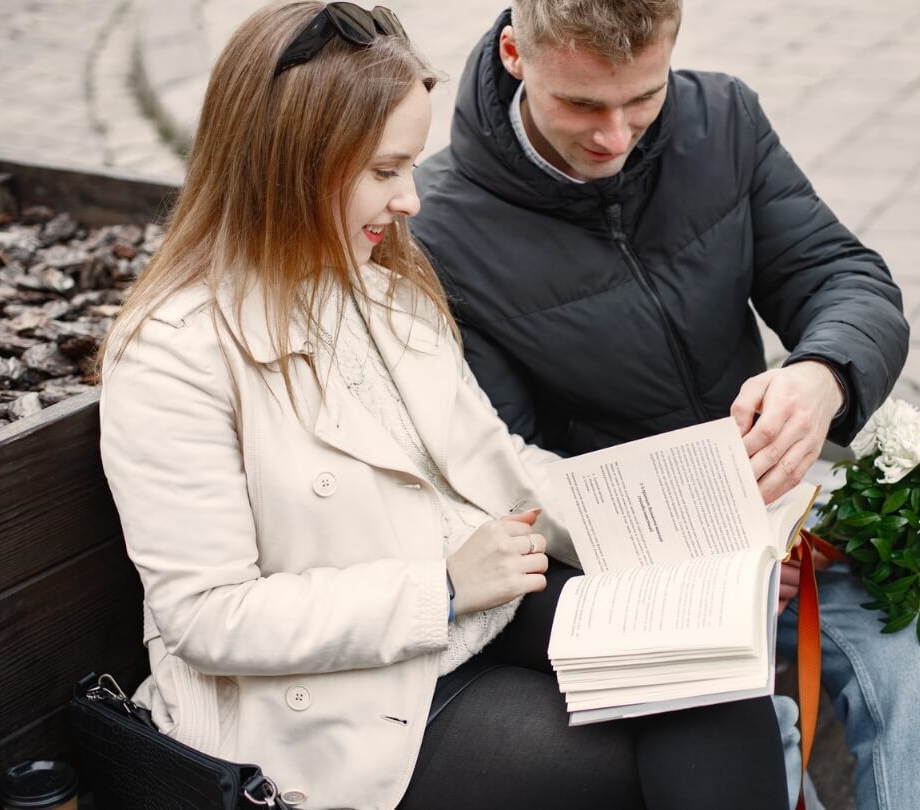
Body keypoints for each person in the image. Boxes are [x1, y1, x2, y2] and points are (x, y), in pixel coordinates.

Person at [97, 3, 791, 808]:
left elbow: (504, 468)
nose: (413, 201)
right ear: (291, 163)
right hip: (332, 701)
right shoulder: (174, 352)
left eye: (412, 166)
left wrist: (684, 533)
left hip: (474, 621)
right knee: (628, 760)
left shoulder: (386, 298)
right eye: (386, 171)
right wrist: (444, 589)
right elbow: (207, 616)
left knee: (714, 673)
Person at [409, 1, 920, 808]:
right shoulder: (440, 231)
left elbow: (842, 276)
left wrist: (823, 375)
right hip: (624, 582)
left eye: (643, 97)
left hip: (779, 527)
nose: (614, 135)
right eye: (583, 104)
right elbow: (505, 471)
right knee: (747, 734)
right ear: (514, 55)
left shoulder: (723, 118)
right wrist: (704, 556)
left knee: (913, 658)